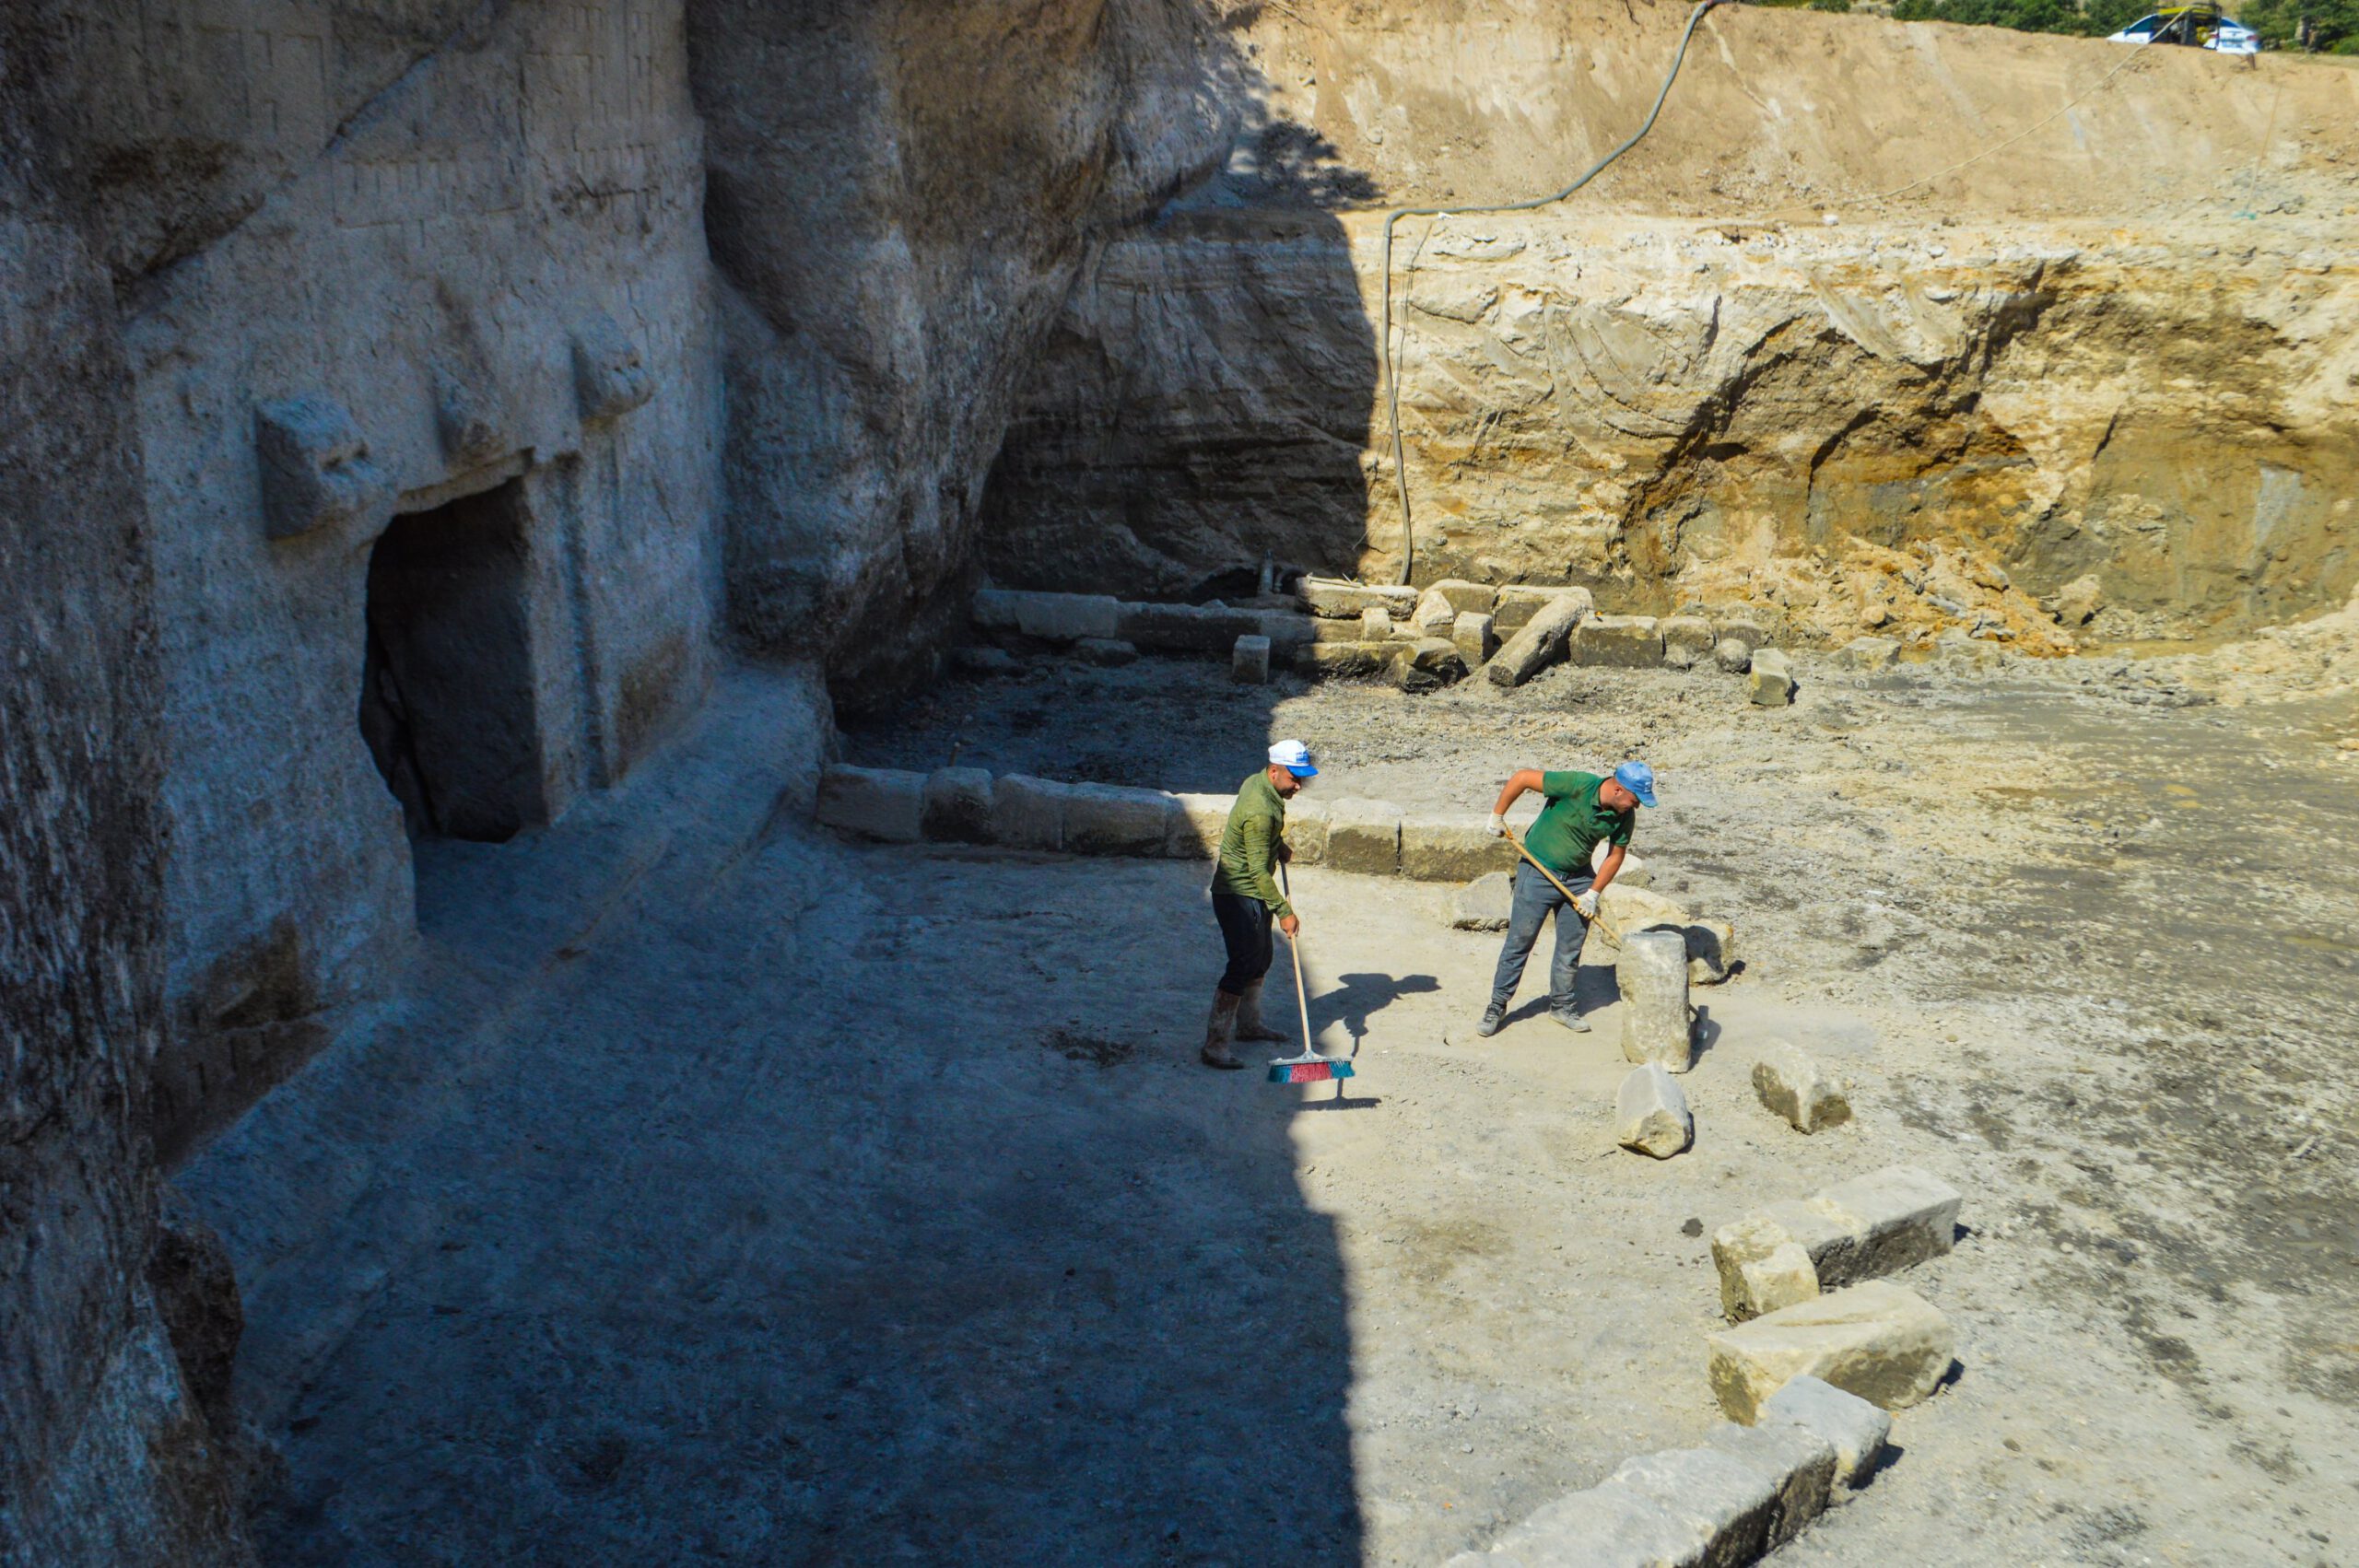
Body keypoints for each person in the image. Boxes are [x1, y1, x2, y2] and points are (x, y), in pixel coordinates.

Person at [1475, 759, 1656, 1037]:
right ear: (1618, 790)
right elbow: (1522, 777)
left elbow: (1615, 855)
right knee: (1520, 942)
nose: (1637, 806)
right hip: (1537, 870)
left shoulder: (1624, 815)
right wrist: (1497, 814)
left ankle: (1562, 1006)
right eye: (1635, 800)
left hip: (1579, 878)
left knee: (1570, 948)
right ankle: (1497, 1005)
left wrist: (1593, 893)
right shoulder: (1576, 784)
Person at [1203, 740, 1317, 1070]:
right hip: (1239, 893)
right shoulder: (1260, 810)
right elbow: (1255, 870)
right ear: (1274, 771)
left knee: (1261, 957)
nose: (1298, 786)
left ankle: (1249, 1026)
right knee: (1241, 964)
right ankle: (1215, 1045)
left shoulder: (1258, 783)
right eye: (1294, 779)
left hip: (1253, 890)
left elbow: (1257, 840)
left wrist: (1275, 845)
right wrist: (1285, 911)